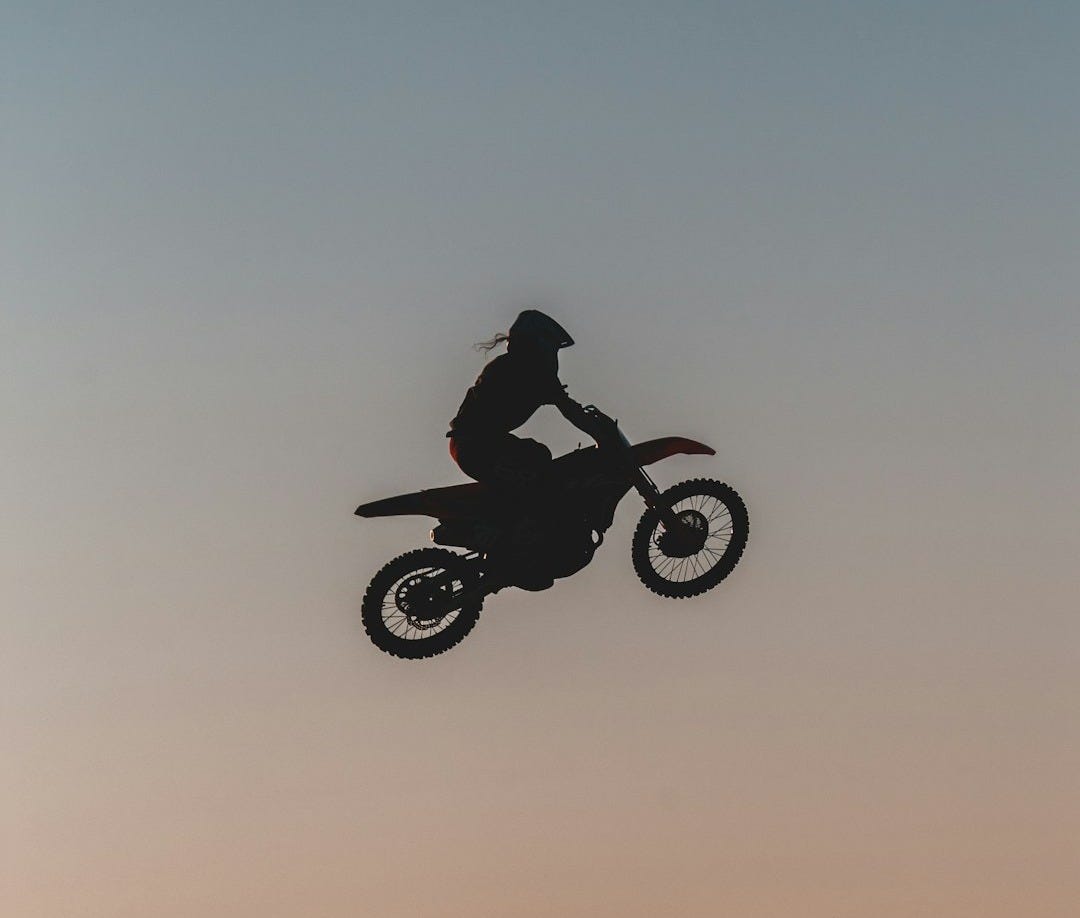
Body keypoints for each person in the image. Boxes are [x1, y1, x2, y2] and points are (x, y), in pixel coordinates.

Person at [447, 309, 606, 494]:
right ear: (541, 343)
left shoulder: (510, 365)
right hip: (479, 447)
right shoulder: (531, 370)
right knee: (537, 460)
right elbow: (570, 411)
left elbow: (565, 406)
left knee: (535, 455)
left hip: (470, 447)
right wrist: (602, 437)